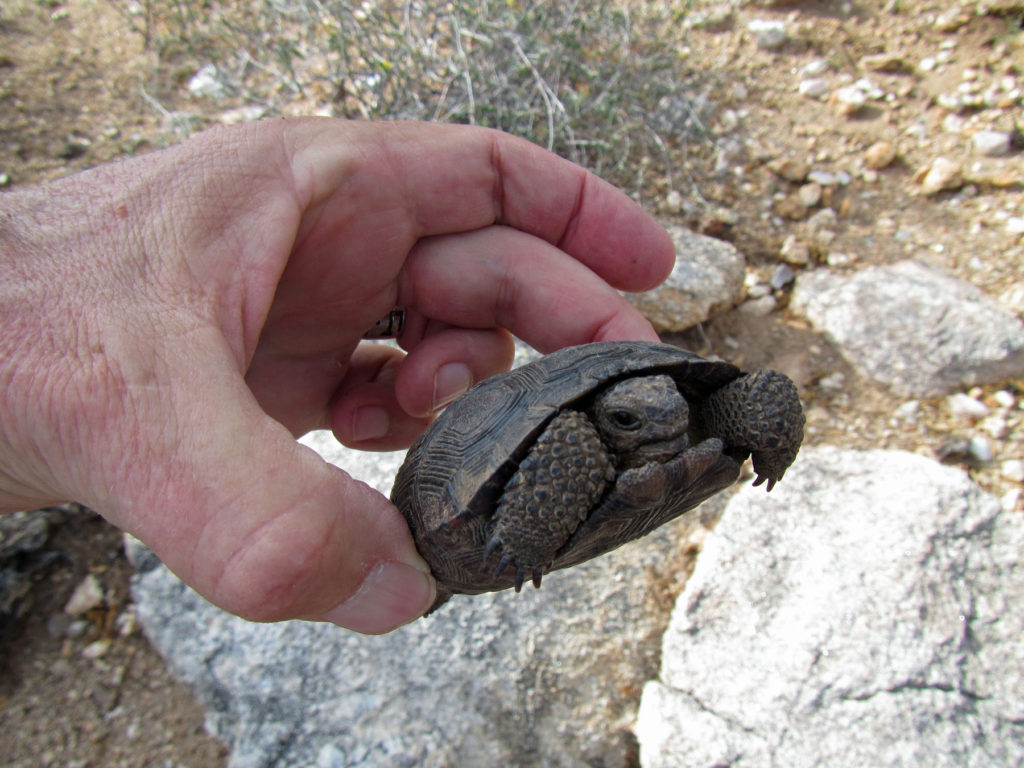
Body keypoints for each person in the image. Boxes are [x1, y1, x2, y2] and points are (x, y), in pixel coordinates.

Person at [0, 119, 675, 633]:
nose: (667, 420)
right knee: (573, 441)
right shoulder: (581, 440)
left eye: (665, 407)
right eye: (628, 419)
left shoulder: (674, 413)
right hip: (488, 510)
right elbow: (582, 438)